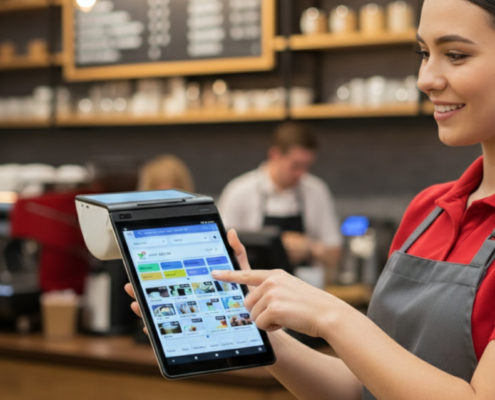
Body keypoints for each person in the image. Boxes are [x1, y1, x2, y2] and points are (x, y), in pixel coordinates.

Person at [126, 0, 495, 398]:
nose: (426, 78)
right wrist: (251, 325)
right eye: (424, 53)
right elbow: (367, 390)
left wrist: (330, 315)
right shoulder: (429, 211)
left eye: (455, 55)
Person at [218, 122, 342, 271]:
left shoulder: (316, 191)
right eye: (295, 166)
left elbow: (335, 255)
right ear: (275, 155)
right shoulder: (239, 191)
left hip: (303, 288)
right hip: (256, 289)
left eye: (307, 166)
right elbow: (220, 249)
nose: (301, 174)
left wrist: (310, 247)